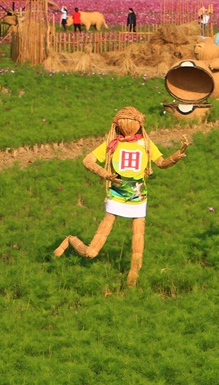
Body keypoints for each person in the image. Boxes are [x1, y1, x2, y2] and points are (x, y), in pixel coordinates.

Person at [54, 106, 191, 287]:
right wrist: (104, 173)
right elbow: (87, 161)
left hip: (138, 197)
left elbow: (161, 163)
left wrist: (177, 155)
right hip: (116, 196)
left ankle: (132, 281)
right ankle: (71, 240)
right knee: (92, 251)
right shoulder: (112, 144)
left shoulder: (146, 145)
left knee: (138, 247)